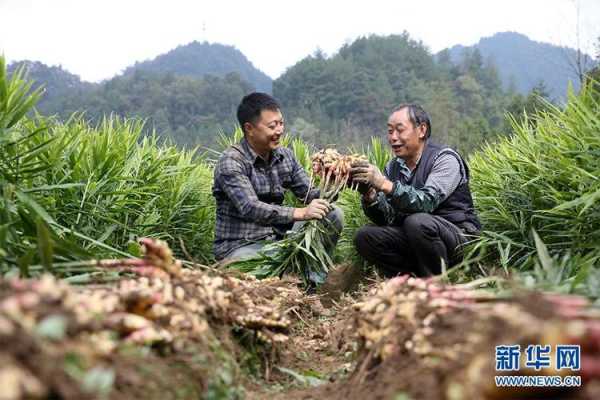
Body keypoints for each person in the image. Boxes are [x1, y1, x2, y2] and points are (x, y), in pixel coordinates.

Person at [350, 103, 480, 277]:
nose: (393, 137)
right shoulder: (393, 166)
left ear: (421, 130)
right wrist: (370, 195)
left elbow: (426, 202)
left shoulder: (445, 159)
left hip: (457, 237)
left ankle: (435, 283)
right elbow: (387, 217)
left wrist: (383, 184)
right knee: (365, 236)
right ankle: (408, 281)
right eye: (390, 131)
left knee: (418, 222)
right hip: (417, 237)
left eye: (400, 130)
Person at [213, 92, 343, 265]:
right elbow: (251, 208)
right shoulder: (231, 162)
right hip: (241, 245)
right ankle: (288, 271)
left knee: (332, 214)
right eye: (272, 126)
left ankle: (312, 277)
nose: (280, 131)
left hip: (278, 238)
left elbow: (309, 194)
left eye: (281, 123)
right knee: (256, 263)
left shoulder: (285, 156)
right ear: (249, 129)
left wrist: (334, 181)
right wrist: (302, 213)